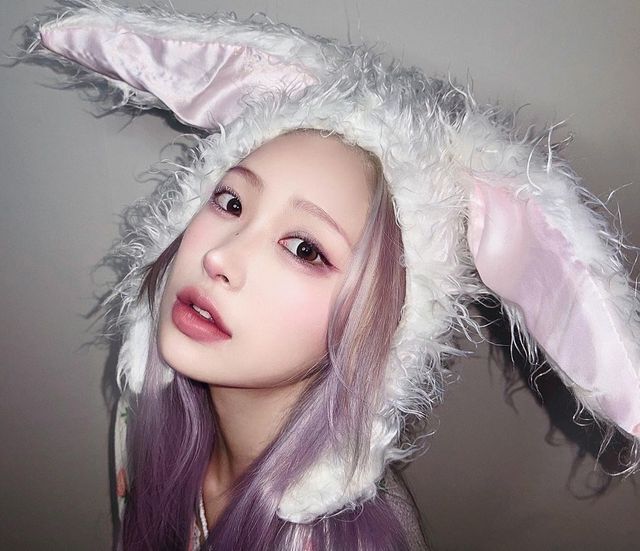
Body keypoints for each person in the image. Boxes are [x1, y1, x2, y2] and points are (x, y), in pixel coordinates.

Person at [25, 2, 640, 550]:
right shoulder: (142, 423)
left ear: (380, 324)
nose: (220, 258)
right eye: (231, 202)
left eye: (304, 248)